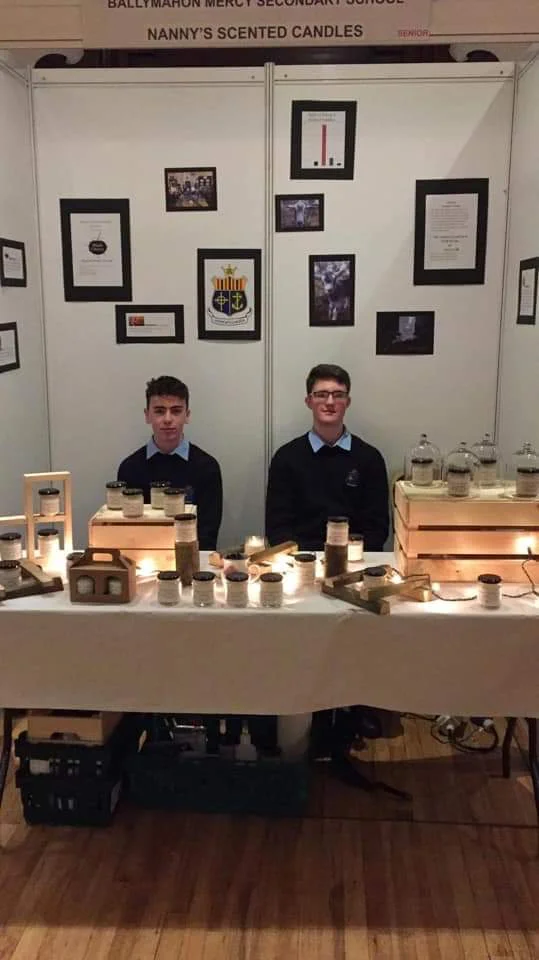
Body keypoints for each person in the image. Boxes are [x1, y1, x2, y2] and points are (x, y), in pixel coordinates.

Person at [265, 363, 389, 550]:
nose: (330, 402)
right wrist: (309, 559)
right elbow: (277, 529)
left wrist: (342, 557)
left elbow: (377, 530)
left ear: (348, 402)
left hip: (355, 560)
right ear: (309, 401)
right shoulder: (286, 458)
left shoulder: (370, 459)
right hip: (300, 561)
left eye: (338, 395)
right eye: (321, 394)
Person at [117, 375, 222, 550]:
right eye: (159, 411)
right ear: (147, 416)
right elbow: (126, 529)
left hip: (191, 559)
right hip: (143, 557)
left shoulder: (207, 467)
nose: (167, 419)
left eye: (176, 411)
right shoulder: (130, 468)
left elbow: (207, 534)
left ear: (187, 415)